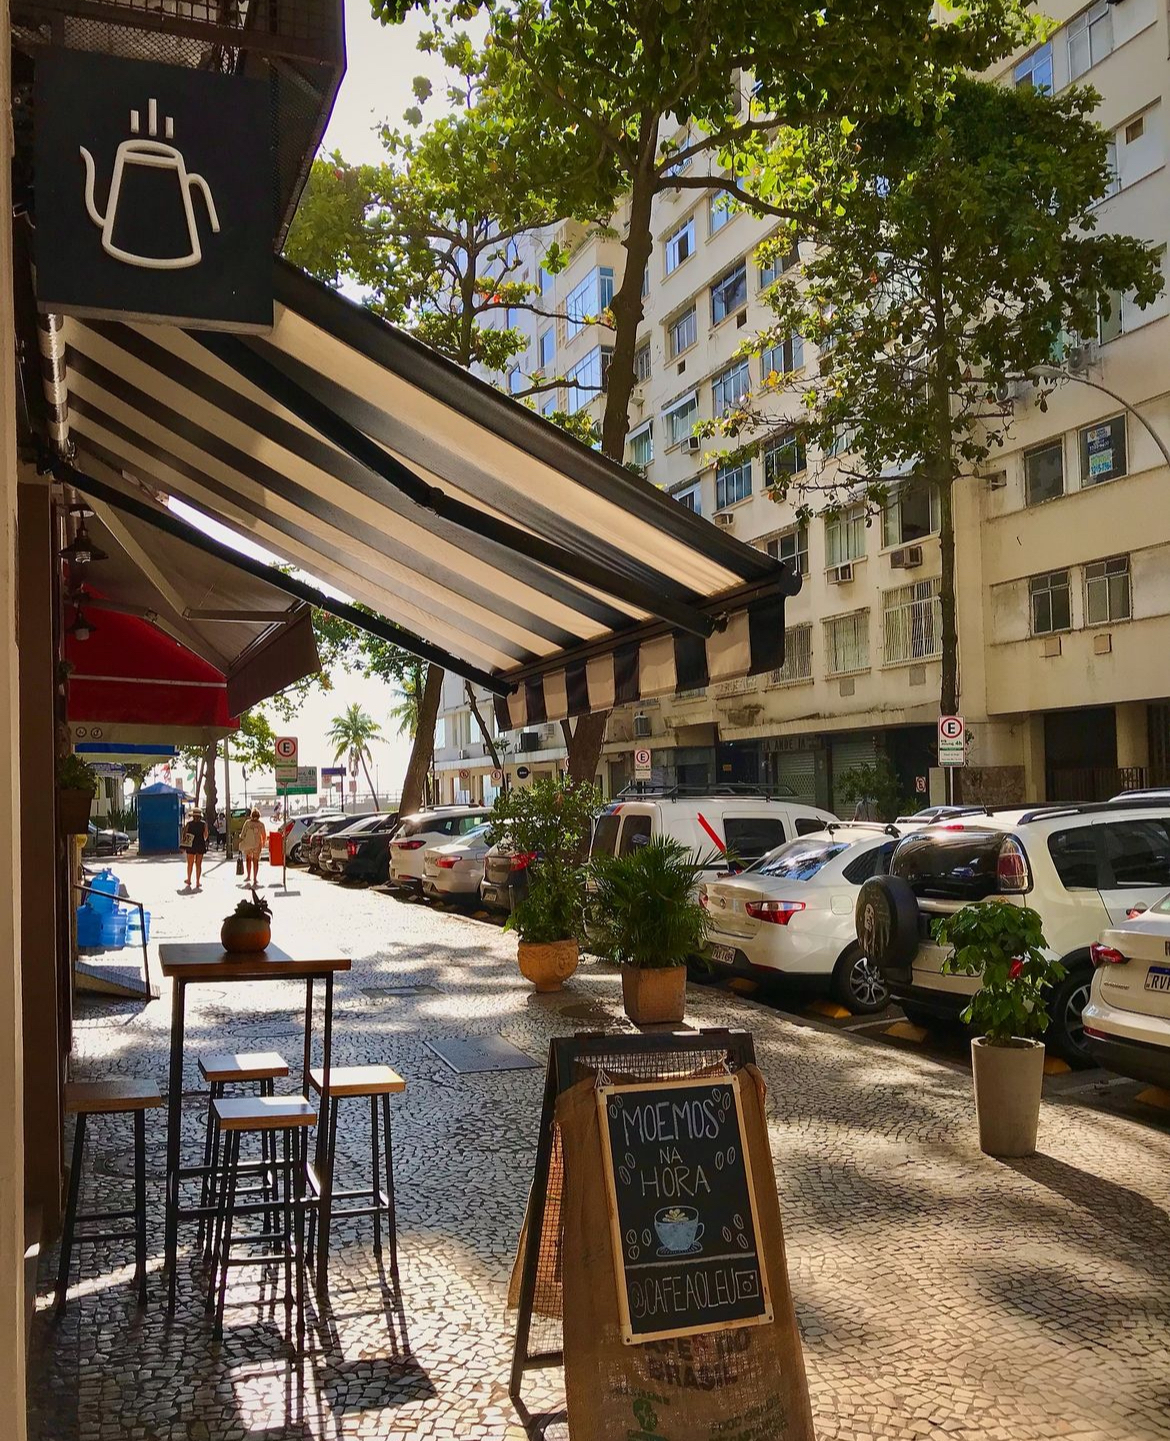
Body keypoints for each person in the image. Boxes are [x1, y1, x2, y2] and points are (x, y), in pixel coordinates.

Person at [182, 808, 208, 890]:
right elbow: (206, 835)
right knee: (198, 864)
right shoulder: (203, 824)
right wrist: (202, 839)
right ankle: (197, 881)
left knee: (190, 863)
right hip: (200, 844)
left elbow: (184, 834)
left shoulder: (189, 824)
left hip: (191, 845)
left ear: (193, 816)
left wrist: (183, 844)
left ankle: (189, 879)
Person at [239, 808, 266, 886]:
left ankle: (248, 876)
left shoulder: (247, 823)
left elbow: (243, 833)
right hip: (257, 845)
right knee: (255, 861)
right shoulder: (261, 824)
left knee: (248, 860)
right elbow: (264, 835)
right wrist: (263, 843)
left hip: (248, 844)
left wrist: (241, 843)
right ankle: (255, 878)